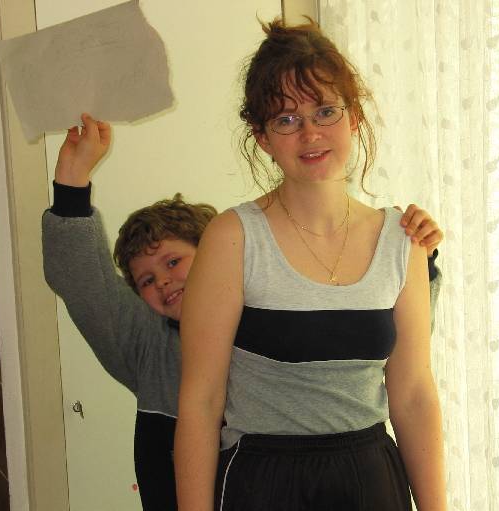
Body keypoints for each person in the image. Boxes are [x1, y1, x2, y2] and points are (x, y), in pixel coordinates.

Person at [42, 114, 444, 510]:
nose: (163, 282)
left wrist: (414, 258)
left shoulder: (265, 329)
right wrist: (71, 185)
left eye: (173, 262)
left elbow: (385, 341)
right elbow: (84, 284)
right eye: (145, 280)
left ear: (213, 258)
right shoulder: (147, 347)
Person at [175, 17, 447, 511]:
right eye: (286, 119)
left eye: (325, 111)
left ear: (354, 117)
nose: (310, 134)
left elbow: (412, 395)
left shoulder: (402, 239)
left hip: (371, 479)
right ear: (262, 137)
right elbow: (201, 402)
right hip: (263, 481)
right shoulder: (233, 238)